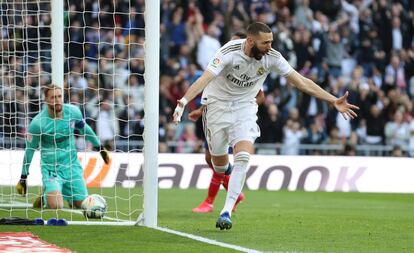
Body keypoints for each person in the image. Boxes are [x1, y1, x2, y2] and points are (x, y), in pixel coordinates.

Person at [173, 22, 358, 230]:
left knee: (243, 156)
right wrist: (183, 102)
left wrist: (332, 100)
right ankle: (228, 173)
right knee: (219, 165)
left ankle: (226, 212)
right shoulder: (228, 52)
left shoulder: (272, 57)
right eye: (265, 42)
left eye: (271, 41)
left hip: (245, 108)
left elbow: (301, 81)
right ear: (251, 41)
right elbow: (205, 78)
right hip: (217, 107)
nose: (270, 46)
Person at [190, 31, 261, 213]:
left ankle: (210, 201)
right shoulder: (222, 63)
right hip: (215, 114)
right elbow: (213, 92)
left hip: (237, 118)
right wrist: (200, 109)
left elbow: (259, 96)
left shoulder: (250, 69)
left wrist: (242, 106)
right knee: (211, 158)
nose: (231, 48)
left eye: (236, 44)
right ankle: (234, 194)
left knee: (220, 160)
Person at [16, 84, 110, 209]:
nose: (57, 100)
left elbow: (85, 130)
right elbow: (30, 150)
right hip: (51, 169)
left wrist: (100, 148)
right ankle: (47, 194)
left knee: (83, 205)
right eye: (53, 97)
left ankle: (65, 196)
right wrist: (23, 177)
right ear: (46, 100)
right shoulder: (38, 123)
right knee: (56, 206)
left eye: (59, 96)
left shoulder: (73, 112)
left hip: (72, 166)